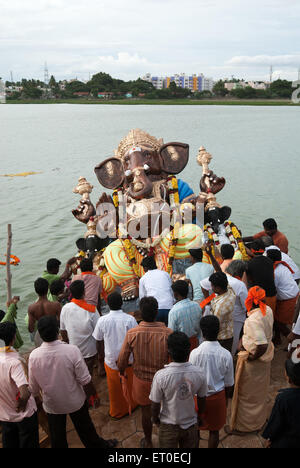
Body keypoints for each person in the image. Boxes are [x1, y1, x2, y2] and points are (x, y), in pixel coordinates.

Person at [28, 316, 117, 449]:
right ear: (57, 331)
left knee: (58, 438)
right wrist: (93, 396)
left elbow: (33, 388)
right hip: (75, 401)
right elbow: (85, 380)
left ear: (39, 334)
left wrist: (39, 404)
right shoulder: (71, 350)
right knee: (86, 430)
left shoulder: (34, 356)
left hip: (53, 405)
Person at [117, 297, 172, 448]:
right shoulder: (168, 333)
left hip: (141, 380)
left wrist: (122, 371)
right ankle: (167, 441)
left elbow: (122, 360)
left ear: (140, 313)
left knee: (145, 412)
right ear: (156, 313)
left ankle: (148, 441)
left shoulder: (132, 333)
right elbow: (174, 360)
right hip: (163, 380)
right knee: (166, 410)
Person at [228, 286, 274, 435]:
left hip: (254, 362)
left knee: (246, 395)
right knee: (259, 393)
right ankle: (258, 421)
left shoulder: (253, 320)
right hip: (265, 361)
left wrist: (253, 357)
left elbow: (262, 344)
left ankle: (244, 427)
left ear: (250, 300)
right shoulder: (268, 310)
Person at [150, 331, 207, 449]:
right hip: (191, 423)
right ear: (189, 351)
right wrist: (200, 415)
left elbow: (155, 404)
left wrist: (155, 419)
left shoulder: (161, 376)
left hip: (168, 425)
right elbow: (202, 399)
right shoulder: (199, 373)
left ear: (169, 352)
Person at [190, 316, 234, 448]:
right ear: (219, 330)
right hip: (217, 398)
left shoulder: (194, 353)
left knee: (195, 431)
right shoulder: (226, 354)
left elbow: (192, 379)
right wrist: (225, 400)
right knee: (214, 432)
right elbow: (229, 384)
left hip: (198, 398)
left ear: (202, 332)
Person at [92, 292, 138, 419]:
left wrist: (101, 358)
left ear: (108, 304)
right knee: (130, 384)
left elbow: (98, 341)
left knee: (115, 389)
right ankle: (133, 404)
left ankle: (117, 411)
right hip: (128, 360)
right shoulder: (130, 319)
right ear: (122, 303)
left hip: (111, 361)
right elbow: (136, 340)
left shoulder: (102, 320)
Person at [0, 322, 39, 449]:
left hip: (5, 417)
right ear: (13, 338)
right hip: (24, 416)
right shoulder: (14, 362)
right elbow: (25, 392)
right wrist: (21, 404)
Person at [60, 280, 100, 376]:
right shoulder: (91, 309)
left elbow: (63, 331)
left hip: (73, 350)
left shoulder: (65, 308)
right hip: (90, 351)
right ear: (84, 292)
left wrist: (67, 345)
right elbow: (99, 333)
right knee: (88, 374)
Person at [262, 354, 300, 448]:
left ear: (288, 377)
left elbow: (276, 423)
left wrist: (269, 438)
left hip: (288, 441)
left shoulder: (284, 398)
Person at [267, 249, 299, 345]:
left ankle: (294, 342)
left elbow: (273, 290)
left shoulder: (276, 272)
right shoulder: (282, 266)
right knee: (277, 318)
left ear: (270, 260)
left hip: (289, 299)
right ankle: (277, 339)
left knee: (279, 322)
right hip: (292, 295)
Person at [202, 272, 236, 352]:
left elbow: (214, 326)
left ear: (218, 288)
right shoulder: (230, 291)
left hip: (221, 339)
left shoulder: (220, 307)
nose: (211, 288)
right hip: (229, 334)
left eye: (212, 286)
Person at [139, 256, 174, 326]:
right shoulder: (165, 274)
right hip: (170, 308)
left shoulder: (143, 278)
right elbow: (172, 292)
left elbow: (142, 299)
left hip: (155, 311)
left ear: (145, 267)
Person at [168, 280, 202, 351]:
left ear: (175, 294)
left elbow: (171, 334)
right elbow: (200, 328)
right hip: (196, 344)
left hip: (181, 348)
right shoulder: (197, 306)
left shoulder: (174, 311)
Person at [28, 278, 61, 347]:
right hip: (53, 334)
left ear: (36, 291)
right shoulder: (56, 305)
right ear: (48, 288)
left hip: (40, 335)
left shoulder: (31, 308)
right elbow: (60, 323)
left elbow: (31, 329)